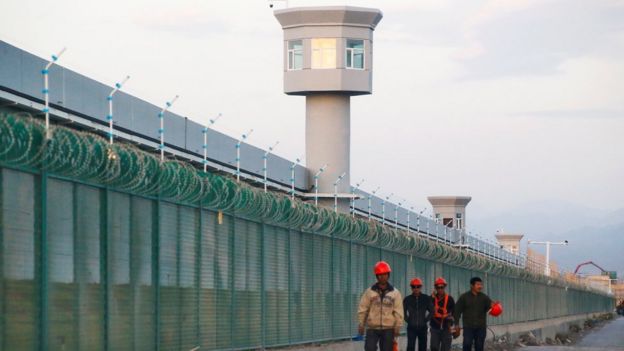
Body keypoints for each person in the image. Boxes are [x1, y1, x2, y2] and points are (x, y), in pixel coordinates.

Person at [358, 261, 404, 351]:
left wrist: (398, 326)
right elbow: (363, 308)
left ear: (388, 275)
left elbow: (398, 311)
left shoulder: (395, 293)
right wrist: (361, 324)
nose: (382, 277)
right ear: (376, 276)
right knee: (369, 348)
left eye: (385, 274)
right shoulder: (369, 292)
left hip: (388, 328)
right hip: (372, 328)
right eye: (379, 275)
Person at [453, 277, 494, 351]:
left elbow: (491, 308)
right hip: (468, 327)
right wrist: (456, 324)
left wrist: (494, 307)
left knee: (479, 347)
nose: (480, 286)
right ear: (472, 285)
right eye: (478, 284)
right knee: (467, 344)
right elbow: (457, 311)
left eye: (481, 285)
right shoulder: (464, 297)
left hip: (481, 328)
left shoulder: (484, 298)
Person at [403, 278, 433, 351]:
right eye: (413, 286)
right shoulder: (407, 299)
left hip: (423, 328)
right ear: (411, 288)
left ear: (421, 287)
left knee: (423, 347)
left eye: (418, 286)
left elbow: (432, 311)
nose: (416, 289)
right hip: (411, 328)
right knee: (410, 347)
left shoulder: (426, 298)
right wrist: (408, 320)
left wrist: (425, 320)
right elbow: (403, 312)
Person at [429, 277, 455, 351]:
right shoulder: (432, 298)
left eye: (441, 287)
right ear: (435, 288)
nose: (440, 289)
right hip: (434, 327)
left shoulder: (450, 299)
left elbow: (454, 312)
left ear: (444, 287)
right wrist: (431, 298)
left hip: (446, 327)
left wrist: (451, 320)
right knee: (434, 347)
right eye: (438, 287)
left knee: (446, 348)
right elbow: (426, 307)